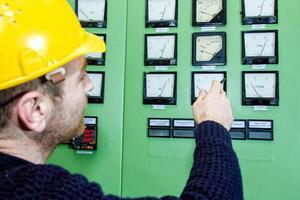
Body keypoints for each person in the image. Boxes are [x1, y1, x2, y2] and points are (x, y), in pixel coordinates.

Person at [0, 0, 243, 199]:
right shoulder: (35, 191)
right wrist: (214, 127)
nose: (90, 84)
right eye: (81, 77)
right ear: (35, 109)